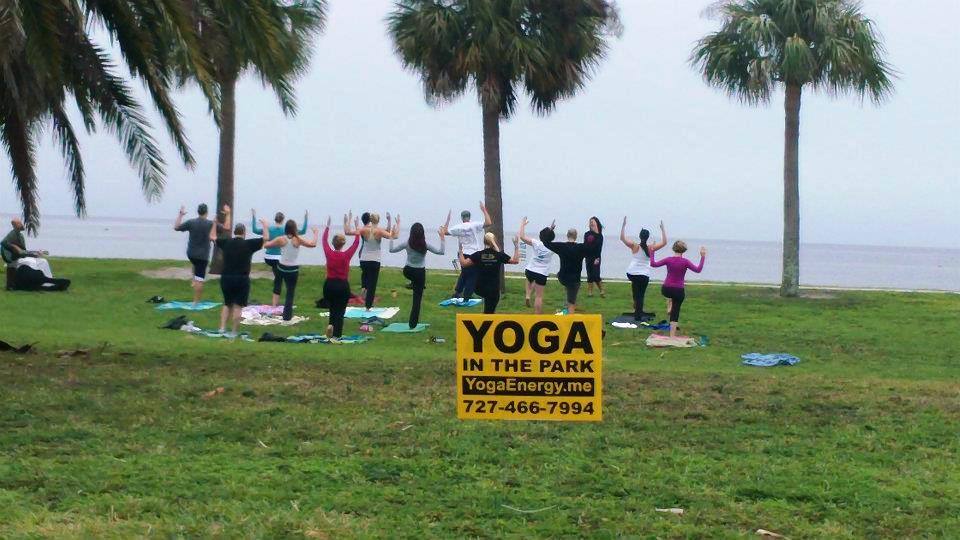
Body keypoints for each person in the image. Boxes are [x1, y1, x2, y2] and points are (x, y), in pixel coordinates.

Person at [211, 206, 265, 336]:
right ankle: (234, 331)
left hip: (226, 278)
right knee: (238, 306)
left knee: (227, 304)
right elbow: (266, 238)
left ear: (235, 232)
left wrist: (214, 223)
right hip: (242, 278)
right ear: (244, 233)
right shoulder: (249, 244)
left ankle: (222, 328)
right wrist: (265, 225)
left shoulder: (226, 243)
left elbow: (212, 236)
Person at [389, 219, 448, 328]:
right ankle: (413, 324)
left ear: (411, 233)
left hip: (408, 271)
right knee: (417, 299)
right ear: (422, 234)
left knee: (414, 280)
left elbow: (391, 250)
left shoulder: (407, 243)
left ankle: (412, 282)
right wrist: (442, 237)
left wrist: (391, 237)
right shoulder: (425, 245)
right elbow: (441, 252)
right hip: (420, 273)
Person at [261, 220, 320, 321]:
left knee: (277, 285)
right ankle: (287, 317)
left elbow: (266, 245)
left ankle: (274, 307)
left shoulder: (281, 239)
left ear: (286, 229)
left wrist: (266, 229)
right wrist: (316, 233)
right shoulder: (298, 239)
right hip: (293, 269)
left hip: (281, 267)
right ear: (294, 229)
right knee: (290, 292)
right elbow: (313, 244)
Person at [650, 241, 706, 337]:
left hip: (666, 289)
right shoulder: (685, 262)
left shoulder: (668, 259)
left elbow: (653, 264)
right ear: (684, 251)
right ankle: (672, 336)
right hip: (678, 291)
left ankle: (669, 305)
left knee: (669, 295)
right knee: (675, 313)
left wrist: (652, 251)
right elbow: (698, 270)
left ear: (673, 248)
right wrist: (702, 256)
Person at [252, 209, 307, 306]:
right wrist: (306, 218)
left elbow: (255, 230)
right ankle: (279, 302)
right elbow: (302, 231)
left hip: (268, 258)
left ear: (275, 219)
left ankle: (276, 301)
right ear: (283, 220)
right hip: (279, 259)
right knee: (281, 280)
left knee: (278, 278)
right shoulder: (286, 231)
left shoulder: (269, 228)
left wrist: (253, 216)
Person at [458, 232, 520, 314]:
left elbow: (464, 264)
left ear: (484, 242)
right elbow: (515, 261)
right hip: (493, 289)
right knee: (490, 312)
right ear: (494, 241)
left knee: (487, 310)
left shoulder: (478, 255)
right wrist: (516, 246)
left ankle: (484, 318)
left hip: (479, 288)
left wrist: (460, 251)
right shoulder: (499, 255)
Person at [322, 215, 361, 340]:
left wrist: (327, 227)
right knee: (340, 311)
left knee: (333, 309)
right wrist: (357, 228)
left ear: (333, 244)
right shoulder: (346, 255)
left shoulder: (329, 253)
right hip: (342, 286)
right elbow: (356, 243)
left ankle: (331, 328)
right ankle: (337, 334)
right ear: (342, 244)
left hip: (329, 285)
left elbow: (324, 241)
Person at [2, 218, 68, 291]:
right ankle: (34, 280)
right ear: (14, 225)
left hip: (21, 257)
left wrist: (36, 253)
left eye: (20, 223)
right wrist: (14, 247)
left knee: (43, 261)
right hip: (15, 259)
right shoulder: (12, 234)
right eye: (18, 224)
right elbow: (4, 243)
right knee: (31, 262)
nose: (21, 225)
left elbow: (23, 251)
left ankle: (48, 282)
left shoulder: (20, 236)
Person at [621, 218, 668, 321]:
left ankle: (636, 309)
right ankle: (638, 315)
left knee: (635, 290)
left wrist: (623, 225)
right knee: (640, 295)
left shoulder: (634, 246)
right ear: (647, 237)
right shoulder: (651, 247)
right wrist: (662, 229)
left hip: (631, 273)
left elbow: (622, 238)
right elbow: (665, 242)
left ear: (640, 236)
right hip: (643, 276)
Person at [446, 203, 492, 302]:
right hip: (474, 253)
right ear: (469, 217)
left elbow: (445, 232)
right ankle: (467, 295)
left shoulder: (457, 227)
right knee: (473, 275)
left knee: (464, 273)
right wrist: (484, 209)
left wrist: (448, 220)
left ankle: (457, 292)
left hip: (462, 253)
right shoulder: (475, 225)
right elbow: (488, 222)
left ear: (462, 218)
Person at [355, 211, 398, 310]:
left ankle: (364, 288)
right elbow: (392, 235)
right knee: (372, 284)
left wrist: (354, 224)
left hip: (364, 260)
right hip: (374, 260)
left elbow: (350, 232)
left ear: (370, 220)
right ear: (378, 220)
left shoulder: (364, 230)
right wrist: (396, 224)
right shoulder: (379, 231)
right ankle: (368, 306)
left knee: (366, 277)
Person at [174, 203, 214, 305]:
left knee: (195, 264)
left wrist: (181, 215)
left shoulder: (191, 222)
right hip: (202, 256)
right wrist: (227, 215)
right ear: (207, 212)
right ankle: (195, 302)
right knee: (200, 280)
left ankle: (193, 280)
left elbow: (176, 227)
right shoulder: (210, 224)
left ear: (198, 212)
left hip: (191, 254)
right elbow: (226, 228)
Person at [546, 228, 590, 314]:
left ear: (567, 235)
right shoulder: (581, 248)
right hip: (574, 279)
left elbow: (546, 243)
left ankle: (566, 305)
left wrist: (550, 230)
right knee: (572, 302)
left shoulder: (561, 246)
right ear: (576, 236)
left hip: (562, 277)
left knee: (568, 290)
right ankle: (570, 318)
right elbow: (593, 249)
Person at [518, 217, 556, 314]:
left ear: (540, 236)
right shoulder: (553, 247)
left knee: (529, 279)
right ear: (552, 237)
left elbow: (521, 236)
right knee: (539, 296)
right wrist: (550, 231)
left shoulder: (536, 243)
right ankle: (537, 316)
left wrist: (523, 224)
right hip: (542, 273)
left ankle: (527, 295)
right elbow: (548, 237)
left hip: (530, 270)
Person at [584, 216, 605, 297]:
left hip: (596, 257)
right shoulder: (587, 234)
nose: (591, 223)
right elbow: (585, 245)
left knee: (596, 275)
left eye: (593, 222)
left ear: (597, 223)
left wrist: (597, 258)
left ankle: (601, 290)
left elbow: (599, 247)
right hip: (588, 257)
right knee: (589, 275)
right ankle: (590, 292)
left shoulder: (600, 236)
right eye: (590, 222)